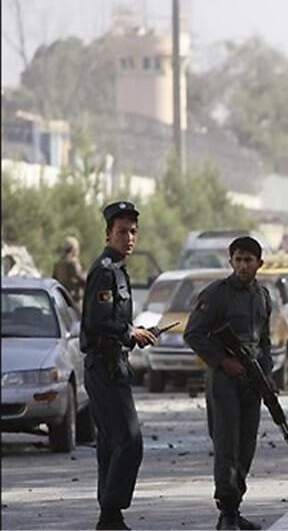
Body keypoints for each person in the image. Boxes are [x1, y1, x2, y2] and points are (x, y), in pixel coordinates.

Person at [183, 236, 272, 530]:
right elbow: (193, 334)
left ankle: (235, 506)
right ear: (230, 261)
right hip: (224, 381)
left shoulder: (263, 296)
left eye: (249, 260)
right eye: (238, 259)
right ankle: (227, 512)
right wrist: (223, 361)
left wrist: (267, 376)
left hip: (252, 381)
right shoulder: (217, 294)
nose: (244, 265)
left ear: (260, 263)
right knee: (227, 445)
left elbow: (265, 342)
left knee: (246, 445)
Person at [81, 201, 157, 530]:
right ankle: (111, 511)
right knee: (130, 441)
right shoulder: (105, 271)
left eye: (133, 232)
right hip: (104, 366)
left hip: (116, 364)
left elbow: (112, 318)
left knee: (112, 443)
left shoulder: (118, 270)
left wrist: (136, 332)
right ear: (108, 233)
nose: (129, 238)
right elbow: (98, 321)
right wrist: (130, 332)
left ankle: (108, 516)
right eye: (122, 231)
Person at [53, 235, 86, 307]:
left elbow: (54, 279)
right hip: (73, 299)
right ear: (73, 249)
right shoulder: (72, 263)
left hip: (61, 298)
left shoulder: (58, 263)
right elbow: (80, 277)